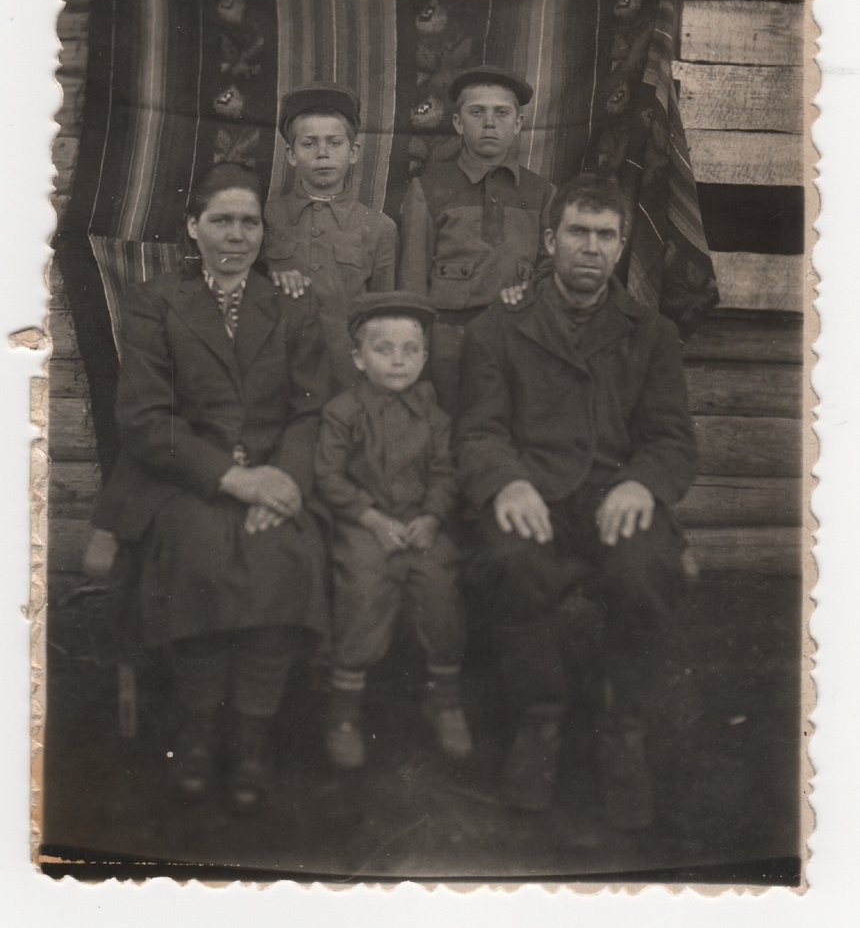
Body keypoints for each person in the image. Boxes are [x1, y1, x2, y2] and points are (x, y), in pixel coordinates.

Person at [87, 163, 330, 813]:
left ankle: (252, 733)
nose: (236, 234)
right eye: (221, 220)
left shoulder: (291, 302)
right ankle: (198, 729)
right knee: (198, 553)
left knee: (284, 555)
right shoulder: (156, 302)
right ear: (193, 228)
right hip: (184, 477)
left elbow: (312, 409)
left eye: (249, 221)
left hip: (276, 476)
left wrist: (281, 481)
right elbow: (144, 418)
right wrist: (231, 479)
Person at [454, 175, 697, 822]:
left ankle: (625, 733)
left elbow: (671, 437)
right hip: (532, 490)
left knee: (644, 568)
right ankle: (540, 724)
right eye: (577, 233)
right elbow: (478, 429)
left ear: (619, 249)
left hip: (616, 492)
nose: (591, 247)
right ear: (549, 239)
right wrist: (505, 480)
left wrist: (641, 483)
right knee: (509, 561)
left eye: (605, 236)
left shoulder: (651, 332)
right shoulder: (496, 328)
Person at [314, 291, 472, 771]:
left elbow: (446, 474)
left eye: (410, 350)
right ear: (359, 358)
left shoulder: (435, 415)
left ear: (425, 356)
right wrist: (370, 517)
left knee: (441, 585)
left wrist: (432, 518)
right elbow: (329, 476)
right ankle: (344, 712)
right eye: (384, 349)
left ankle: (444, 699)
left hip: (421, 525)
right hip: (365, 525)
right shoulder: (343, 412)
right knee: (362, 586)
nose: (398, 360)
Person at [397, 65, 554, 412]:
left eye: (501, 113)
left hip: (518, 338)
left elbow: (549, 277)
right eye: (476, 112)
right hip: (449, 343)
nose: (489, 122)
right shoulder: (428, 189)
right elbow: (412, 281)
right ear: (457, 124)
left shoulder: (542, 193)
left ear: (517, 125)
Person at [264, 81, 398, 391]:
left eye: (334, 143)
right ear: (291, 154)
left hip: (346, 373)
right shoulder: (266, 217)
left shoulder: (379, 228)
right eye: (309, 144)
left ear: (353, 152)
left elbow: (382, 314)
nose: (323, 154)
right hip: (278, 369)